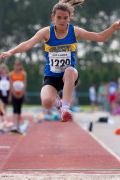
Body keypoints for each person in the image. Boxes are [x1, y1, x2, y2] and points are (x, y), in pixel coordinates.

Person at [0, 0, 120, 122]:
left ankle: (65, 108)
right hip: (51, 77)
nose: (62, 21)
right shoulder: (46, 32)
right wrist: (10, 52)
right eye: (59, 17)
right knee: (46, 103)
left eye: (65, 18)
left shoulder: (75, 31)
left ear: (69, 18)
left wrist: (114, 27)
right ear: (53, 17)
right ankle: (59, 103)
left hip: (70, 76)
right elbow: (27, 44)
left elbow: (100, 37)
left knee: (68, 70)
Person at [9, 59, 27, 132]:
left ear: (20, 66)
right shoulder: (11, 74)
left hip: (21, 94)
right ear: (14, 65)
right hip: (14, 94)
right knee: (14, 109)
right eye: (16, 65)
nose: (17, 66)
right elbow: (11, 85)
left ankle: (18, 125)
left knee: (19, 109)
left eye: (18, 65)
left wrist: (21, 94)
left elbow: (25, 84)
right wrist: (14, 93)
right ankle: (14, 125)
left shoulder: (23, 74)